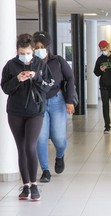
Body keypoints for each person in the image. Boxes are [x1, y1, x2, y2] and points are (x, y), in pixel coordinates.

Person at [1, 33, 54, 201]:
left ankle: (34, 185)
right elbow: (6, 88)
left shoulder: (40, 64)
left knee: (30, 146)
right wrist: (17, 79)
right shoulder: (10, 66)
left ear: (33, 50)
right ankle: (26, 186)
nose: (25, 56)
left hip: (35, 111)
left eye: (28, 53)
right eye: (21, 53)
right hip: (15, 112)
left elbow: (49, 85)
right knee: (21, 148)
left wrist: (35, 76)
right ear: (17, 51)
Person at [33, 31, 75, 183]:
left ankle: (59, 156)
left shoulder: (57, 61)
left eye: (42, 46)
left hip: (57, 101)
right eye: (36, 47)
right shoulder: (31, 63)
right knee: (41, 138)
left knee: (59, 138)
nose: (39, 49)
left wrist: (69, 101)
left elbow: (70, 78)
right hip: (38, 103)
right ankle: (45, 170)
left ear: (47, 47)